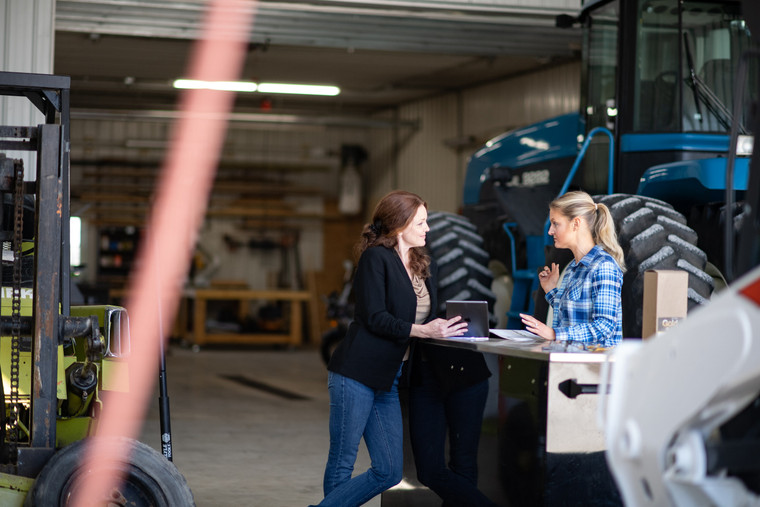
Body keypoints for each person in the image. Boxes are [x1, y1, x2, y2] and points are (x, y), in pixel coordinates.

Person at [313, 190, 468, 507]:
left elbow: (424, 316)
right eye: (421, 222)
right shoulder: (375, 259)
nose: (427, 229)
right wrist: (422, 330)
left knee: (388, 471)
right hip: (356, 373)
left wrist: (448, 328)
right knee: (343, 459)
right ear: (400, 224)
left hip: (389, 379)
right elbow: (374, 316)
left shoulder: (423, 264)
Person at [520, 190, 625, 348]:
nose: (550, 231)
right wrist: (550, 290)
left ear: (576, 223)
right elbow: (573, 314)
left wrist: (554, 334)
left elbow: (604, 327)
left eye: (556, 224)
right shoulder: (573, 269)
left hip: (596, 368)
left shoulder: (604, 266)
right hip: (572, 365)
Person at [409, 342, 497, 506]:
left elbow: (480, 322)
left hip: (466, 370)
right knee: (429, 471)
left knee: (463, 464)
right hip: (424, 376)